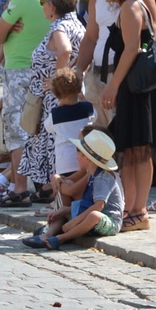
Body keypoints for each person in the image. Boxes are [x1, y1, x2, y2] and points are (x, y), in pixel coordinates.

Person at [96, 0, 156, 232]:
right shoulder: (138, 4)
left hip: (133, 86)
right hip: (139, 86)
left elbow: (131, 49)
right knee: (137, 149)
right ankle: (135, 210)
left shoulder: (128, 7)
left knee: (134, 149)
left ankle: (138, 211)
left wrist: (113, 85)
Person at [0, 0, 58, 208]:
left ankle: (20, 187)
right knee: (42, 127)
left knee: (17, 127)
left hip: (19, 68)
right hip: (46, 69)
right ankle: (45, 185)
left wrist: (10, 27)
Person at [74, 0, 156, 126]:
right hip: (97, 73)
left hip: (123, 76)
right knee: (97, 140)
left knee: (122, 139)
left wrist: (120, 81)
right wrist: (80, 69)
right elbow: (90, 37)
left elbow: (153, 30)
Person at [17, 0, 84, 199]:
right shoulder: (76, 22)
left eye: (43, 2)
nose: (43, 6)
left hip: (53, 97)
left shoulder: (59, 27)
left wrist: (57, 79)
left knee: (52, 146)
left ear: (52, 6)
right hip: (67, 94)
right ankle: (54, 191)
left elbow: (64, 51)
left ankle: (51, 191)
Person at [23, 128, 123, 250]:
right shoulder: (92, 173)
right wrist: (65, 210)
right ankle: (48, 234)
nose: (76, 156)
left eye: (78, 152)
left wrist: (74, 222)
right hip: (88, 214)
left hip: (109, 220)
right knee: (67, 209)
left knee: (93, 215)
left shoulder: (103, 178)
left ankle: (61, 238)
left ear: (87, 158)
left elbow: (98, 206)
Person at [47, 66, 94, 207]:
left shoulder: (55, 114)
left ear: (56, 93)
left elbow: (47, 127)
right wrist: (84, 99)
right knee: (80, 189)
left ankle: (61, 205)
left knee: (65, 186)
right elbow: (95, 118)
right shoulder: (87, 108)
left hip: (64, 159)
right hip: (82, 157)